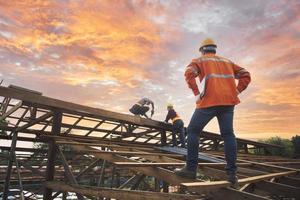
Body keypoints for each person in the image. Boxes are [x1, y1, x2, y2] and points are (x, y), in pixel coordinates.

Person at [174, 38, 251, 186]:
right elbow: (246, 74)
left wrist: (196, 93)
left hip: (209, 101)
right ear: (214, 49)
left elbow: (189, 73)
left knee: (193, 131)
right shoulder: (227, 62)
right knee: (228, 134)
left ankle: (191, 169)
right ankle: (232, 175)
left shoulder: (200, 60)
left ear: (203, 50)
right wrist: (236, 91)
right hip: (228, 103)